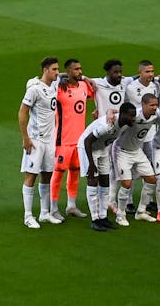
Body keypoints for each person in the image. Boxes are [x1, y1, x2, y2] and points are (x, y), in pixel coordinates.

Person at [18, 57, 63, 228]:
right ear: (45, 70)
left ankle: (45, 213)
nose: (57, 72)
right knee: (31, 176)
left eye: (58, 69)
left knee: (47, 174)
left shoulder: (55, 83)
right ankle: (28, 216)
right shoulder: (34, 90)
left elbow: (67, 75)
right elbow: (22, 113)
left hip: (49, 141)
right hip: (35, 140)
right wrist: (26, 138)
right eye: (54, 69)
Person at [79, 103, 137, 232]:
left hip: (103, 148)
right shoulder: (107, 126)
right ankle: (95, 219)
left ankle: (103, 217)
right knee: (93, 181)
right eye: (131, 116)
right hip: (88, 148)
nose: (134, 118)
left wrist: (110, 110)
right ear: (123, 115)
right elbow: (87, 141)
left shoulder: (124, 121)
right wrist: (91, 164)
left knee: (105, 182)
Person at [50, 58, 95, 219]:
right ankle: (53, 208)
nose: (80, 72)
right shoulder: (59, 88)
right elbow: (49, 79)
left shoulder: (83, 86)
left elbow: (96, 93)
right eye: (76, 69)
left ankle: (71, 205)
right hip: (63, 140)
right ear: (68, 71)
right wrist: (61, 77)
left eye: (80, 68)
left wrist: (85, 78)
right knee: (58, 173)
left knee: (75, 172)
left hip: (79, 140)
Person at [113, 94, 160, 226]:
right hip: (122, 151)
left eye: (156, 104)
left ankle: (141, 211)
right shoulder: (133, 115)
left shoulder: (156, 114)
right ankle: (120, 215)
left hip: (137, 151)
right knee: (126, 183)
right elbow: (116, 116)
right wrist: (109, 113)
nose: (155, 108)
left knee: (151, 180)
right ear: (143, 105)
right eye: (151, 105)